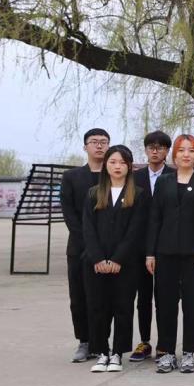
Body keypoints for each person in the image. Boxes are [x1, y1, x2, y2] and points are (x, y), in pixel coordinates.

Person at [146, 135, 194, 374]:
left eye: (191, 150)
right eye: (181, 150)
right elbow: (154, 218)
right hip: (165, 253)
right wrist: (150, 253)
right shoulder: (163, 182)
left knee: (193, 303)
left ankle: (189, 352)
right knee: (165, 303)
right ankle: (166, 352)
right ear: (174, 155)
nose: (186, 154)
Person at [82, 145, 149, 373]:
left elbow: (135, 231)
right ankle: (102, 352)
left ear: (129, 166)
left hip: (125, 264)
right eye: (112, 162)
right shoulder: (94, 193)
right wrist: (98, 259)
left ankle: (118, 353)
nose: (117, 166)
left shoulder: (138, 194)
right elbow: (88, 229)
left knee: (123, 308)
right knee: (98, 308)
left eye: (122, 162)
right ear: (106, 165)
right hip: (96, 264)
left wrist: (118, 259)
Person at [60, 127, 110, 363]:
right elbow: (69, 213)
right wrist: (89, 242)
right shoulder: (72, 177)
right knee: (79, 296)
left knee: (104, 298)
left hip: (109, 247)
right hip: (79, 246)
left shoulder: (114, 175)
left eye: (104, 142)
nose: (99, 146)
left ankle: (101, 342)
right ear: (85, 146)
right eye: (94, 141)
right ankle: (84, 341)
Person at [131, 130, 174, 362]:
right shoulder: (134, 177)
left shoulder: (175, 175)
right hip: (140, 245)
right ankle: (144, 341)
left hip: (166, 244)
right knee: (144, 296)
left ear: (167, 151)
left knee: (165, 296)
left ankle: (164, 344)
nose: (155, 151)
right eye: (151, 147)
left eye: (160, 147)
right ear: (146, 150)